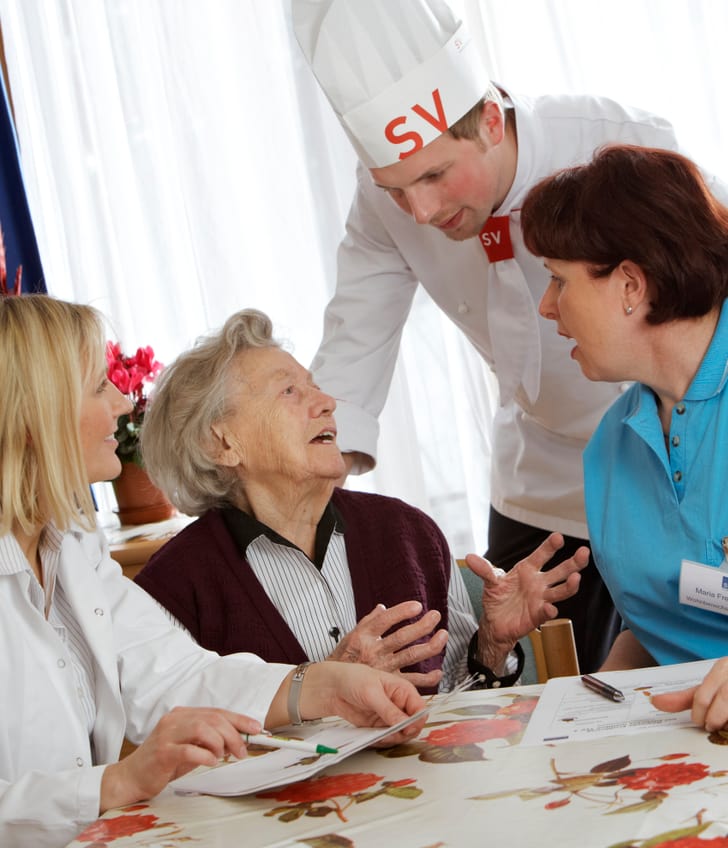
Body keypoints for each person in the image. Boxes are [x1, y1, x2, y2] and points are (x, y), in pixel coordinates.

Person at [291, 0, 728, 673]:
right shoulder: (391, 205)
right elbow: (354, 344)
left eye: (435, 175)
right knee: (532, 672)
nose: (422, 211)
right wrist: (297, 495)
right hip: (563, 471)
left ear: (491, 121)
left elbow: (706, 265)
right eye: (397, 187)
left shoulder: (615, 144)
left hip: (699, 442)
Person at [0, 294, 428, 848]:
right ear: (36, 414)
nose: (125, 402)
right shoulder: (175, 567)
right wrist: (118, 781)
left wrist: (322, 685)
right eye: (98, 386)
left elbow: (176, 674)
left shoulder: (72, 548)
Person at [135, 307, 588, 693]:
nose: (327, 402)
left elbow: (455, 709)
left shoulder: (409, 534)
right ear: (223, 443)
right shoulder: (174, 589)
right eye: (289, 391)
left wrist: (491, 645)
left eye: (315, 385)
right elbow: (188, 762)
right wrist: (322, 696)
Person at [519, 144, 728, 715]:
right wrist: (595, 709)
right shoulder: (610, 450)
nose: (547, 305)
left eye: (560, 279)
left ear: (631, 285)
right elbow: (659, 630)